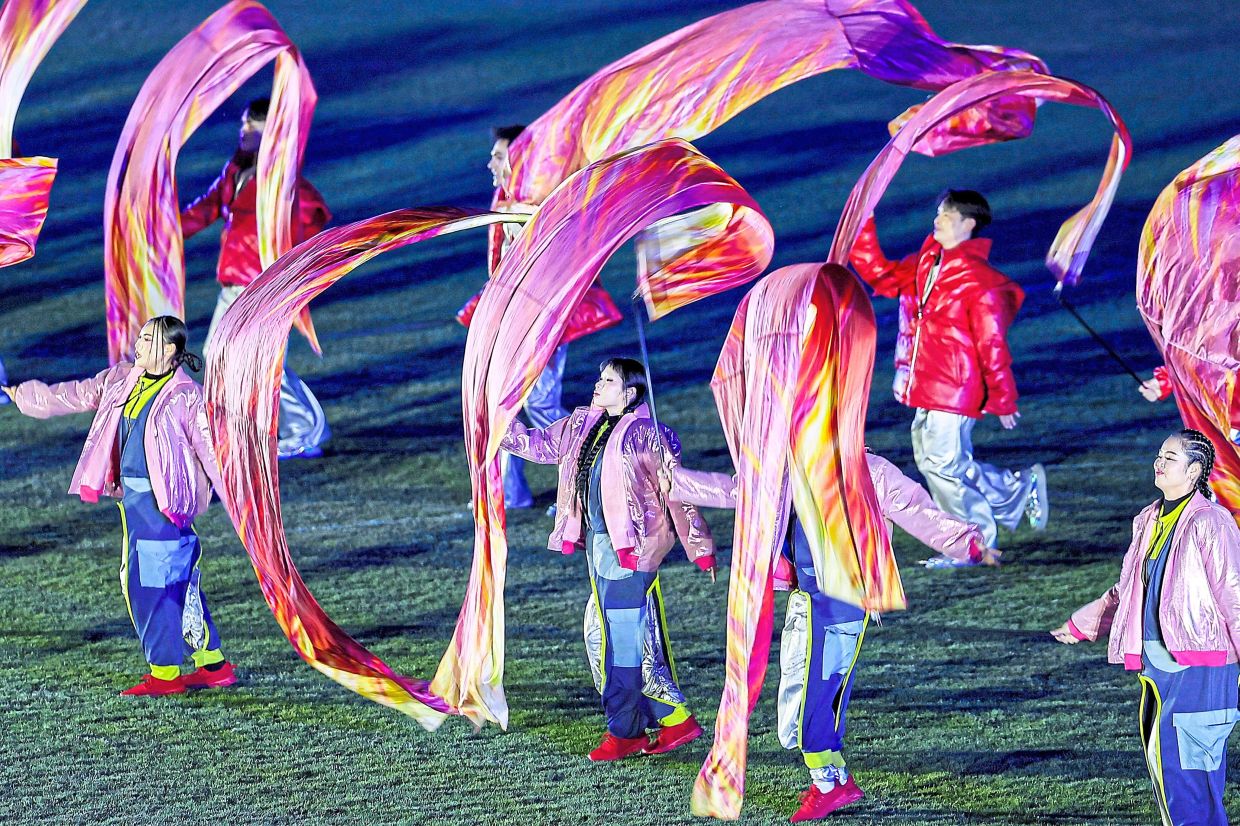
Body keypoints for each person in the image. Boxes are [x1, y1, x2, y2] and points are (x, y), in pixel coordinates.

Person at [667, 450, 998, 821]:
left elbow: (917, 509)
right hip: (806, 600)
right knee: (796, 704)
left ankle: (828, 784)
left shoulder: (867, 469)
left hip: (842, 602)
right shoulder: (792, 463)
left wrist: (968, 544)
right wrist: (677, 481)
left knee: (816, 702)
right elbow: (737, 491)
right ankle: (835, 776)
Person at [2, 317, 236, 696]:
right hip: (134, 502)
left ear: (169, 350)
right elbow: (72, 394)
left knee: (148, 585)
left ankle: (165, 675)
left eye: (147, 339)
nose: (138, 343)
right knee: (176, 582)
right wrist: (21, 395)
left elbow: (211, 451)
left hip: (161, 507)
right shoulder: (121, 378)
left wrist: (236, 499)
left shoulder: (186, 396)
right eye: (140, 336)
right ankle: (213, 664)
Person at [501, 357, 716, 761]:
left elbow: (679, 492)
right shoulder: (582, 423)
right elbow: (537, 445)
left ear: (630, 393)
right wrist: (499, 419)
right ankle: (670, 720)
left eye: (608, 380)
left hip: (634, 552)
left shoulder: (649, 434)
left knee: (618, 642)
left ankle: (627, 731)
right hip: (601, 548)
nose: (598, 385)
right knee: (612, 637)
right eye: (600, 378)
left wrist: (700, 547)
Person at [1052, 430, 1240, 826]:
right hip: (1157, 668)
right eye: (1159, 454)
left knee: (1186, 775)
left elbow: (1233, 595)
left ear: (1194, 471)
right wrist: (1086, 623)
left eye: (1170, 458)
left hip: (1201, 669)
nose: (1159, 462)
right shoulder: (1149, 519)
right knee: (1167, 770)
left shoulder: (1212, 521)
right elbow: (1132, 588)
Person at [849, 190, 1047, 548]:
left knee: (942, 467)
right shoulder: (927, 262)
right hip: (924, 382)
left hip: (954, 388)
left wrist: (1003, 399)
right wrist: (862, 222)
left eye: (946, 216)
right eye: (938, 214)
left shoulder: (980, 280)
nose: (937, 221)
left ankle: (973, 543)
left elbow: (992, 343)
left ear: (967, 224)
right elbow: (880, 274)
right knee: (937, 463)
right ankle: (1016, 489)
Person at [180, 97, 332, 460]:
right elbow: (204, 209)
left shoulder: (286, 184)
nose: (244, 130)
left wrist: (291, 275)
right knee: (217, 357)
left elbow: (314, 218)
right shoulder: (236, 173)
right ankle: (241, 433)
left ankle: (306, 431)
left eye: (253, 125)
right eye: (244, 124)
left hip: (264, 288)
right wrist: (160, 229)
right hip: (232, 286)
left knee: (260, 363)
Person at [486, 124, 567, 510]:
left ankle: (589, 483)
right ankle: (509, 491)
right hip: (509, 319)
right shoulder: (504, 197)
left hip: (541, 320)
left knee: (543, 406)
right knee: (503, 403)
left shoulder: (538, 203)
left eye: (499, 156)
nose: (491, 164)